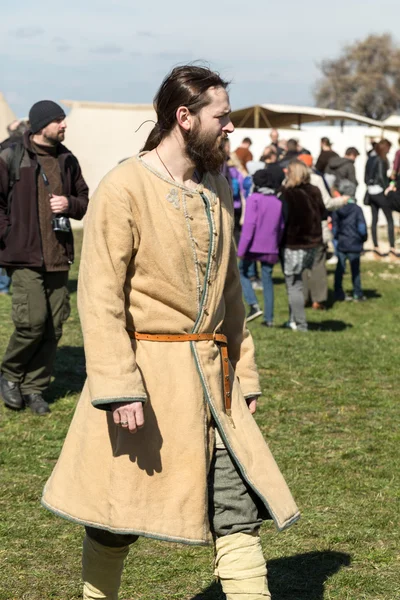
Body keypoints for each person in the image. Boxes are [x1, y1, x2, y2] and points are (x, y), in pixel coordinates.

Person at [41, 65, 299, 600]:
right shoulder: (124, 187)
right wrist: (118, 387)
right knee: (115, 518)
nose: (230, 128)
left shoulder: (216, 184)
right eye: (222, 117)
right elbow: (100, 297)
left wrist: (243, 372)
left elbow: (230, 291)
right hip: (148, 382)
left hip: (214, 380)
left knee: (237, 509)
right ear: (185, 118)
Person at [0, 100, 89, 415]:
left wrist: (69, 204)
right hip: (23, 256)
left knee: (54, 327)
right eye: (59, 121)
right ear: (41, 125)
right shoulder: (10, 155)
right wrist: (8, 235)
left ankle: (35, 388)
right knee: (31, 324)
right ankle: (10, 375)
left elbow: (83, 199)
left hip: (58, 255)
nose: (65, 125)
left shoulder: (67, 160)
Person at [298, 154, 348, 310]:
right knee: (318, 263)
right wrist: (342, 200)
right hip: (315, 226)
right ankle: (318, 300)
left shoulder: (291, 179)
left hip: (298, 227)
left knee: (301, 263)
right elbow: (327, 203)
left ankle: (302, 297)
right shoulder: (316, 180)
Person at [280, 160, 325, 331]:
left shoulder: (287, 193)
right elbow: (322, 212)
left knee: (294, 285)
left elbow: (283, 218)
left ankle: (300, 323)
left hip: (294, 244)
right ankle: (293, 320)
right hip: (313, 243)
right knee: (297, 282)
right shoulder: (314, 190)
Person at [237, 168, 286, 326]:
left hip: (253, 246)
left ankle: (253, 304)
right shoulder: (277, 202)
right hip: (270, 246)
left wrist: (242, 249)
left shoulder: (254, 199)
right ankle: (269, 318)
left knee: (241, 272)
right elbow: (281, 227)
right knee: (267, 281)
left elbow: (249, 225)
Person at [332, 180, 367, 301]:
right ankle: (357, 292)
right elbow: (362, 227)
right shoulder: (357, 209)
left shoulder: (337, 209)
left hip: (342, 242)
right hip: (355, 242)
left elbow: (335, 228)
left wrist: (336, 238)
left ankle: (338, 292)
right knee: (355, 270)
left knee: (340, 269)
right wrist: (363, 238)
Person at [365, 139, 397, 260]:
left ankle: (375, 246)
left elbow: (366, 177)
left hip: (371, 191)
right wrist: (387, 188)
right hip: (379, 192)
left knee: (374, 220)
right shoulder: (381, 160)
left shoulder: (370, 158)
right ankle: (392, 248)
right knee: (389, 219)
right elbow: (381, 176)